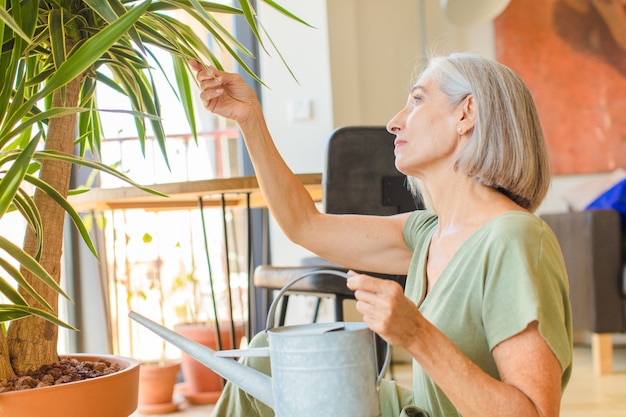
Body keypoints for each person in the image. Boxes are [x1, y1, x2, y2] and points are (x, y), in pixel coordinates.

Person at [189, 52, 573, 417]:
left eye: (417, 100)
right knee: (264, 359)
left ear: (466, 113)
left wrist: (418, 334)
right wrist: (250, 120)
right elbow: (304, 224)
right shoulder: (427, 233)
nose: (394, 121)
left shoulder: (515, 239)